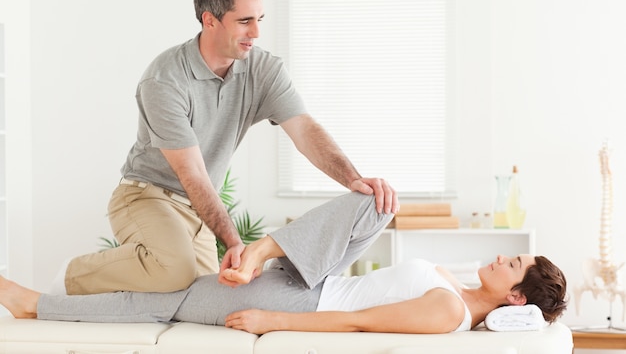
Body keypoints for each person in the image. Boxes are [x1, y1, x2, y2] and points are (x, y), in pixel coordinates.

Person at [56, 0, 399, 296]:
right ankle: (72, 275)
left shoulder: (263, 70)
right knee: (174, 271)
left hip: (197, 210)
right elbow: (191, 174)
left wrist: (351, 179)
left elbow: (304, 129)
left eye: (259, 19)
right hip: (147, 195)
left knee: (205, 295)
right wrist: (234, 242)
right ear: (210, 20)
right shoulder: (165, 80)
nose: (256, 32)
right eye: (245, 21)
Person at [2, 193, 567, 334]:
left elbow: (357, 323)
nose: (499, 256)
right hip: (313, 277)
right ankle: (262, 252)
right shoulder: (455, 288)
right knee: (375, 199)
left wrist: (274, 321)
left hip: (300, 300)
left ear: (515, 295)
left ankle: (35, 305)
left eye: (511, 263)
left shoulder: (448, 311)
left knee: (168, 300)